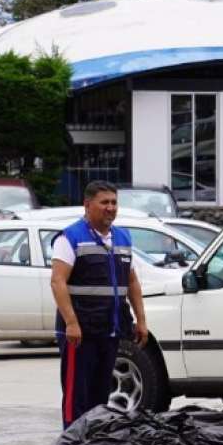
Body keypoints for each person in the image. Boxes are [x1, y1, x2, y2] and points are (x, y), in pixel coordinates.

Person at [50, 180, 149, 428]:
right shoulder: (70, 237)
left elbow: (132, 282)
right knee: (77, 397)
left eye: (114, 202)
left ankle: (95, 444)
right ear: (87, 205)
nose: (110, 208)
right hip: (80, 334)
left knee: (100, 397)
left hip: (110, 330)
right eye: (104, 202)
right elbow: (57, 282)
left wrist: (141, 320)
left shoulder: (123, 237)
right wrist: (71, 323)